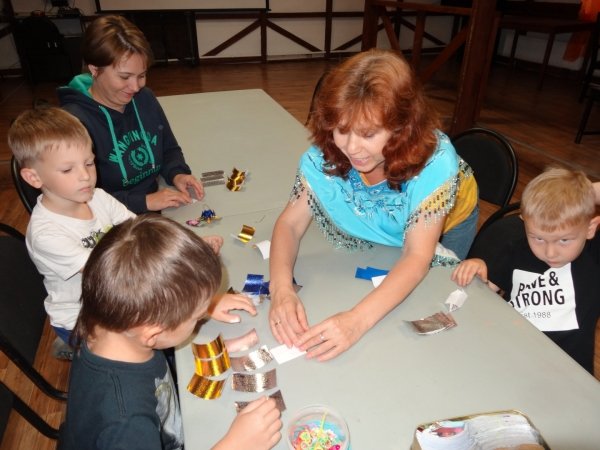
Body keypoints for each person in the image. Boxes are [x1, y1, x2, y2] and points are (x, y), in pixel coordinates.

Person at [268, 49, 479, 361]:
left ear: (401, 127)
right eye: (341, 129)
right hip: (388, 223)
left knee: (435, 299)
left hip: (449, 219)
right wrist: (281, 290)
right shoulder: (324, 156)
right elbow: (290, 224)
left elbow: (417, 255)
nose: (352, 147)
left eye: (368, 133)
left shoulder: (435, 162)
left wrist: (356, 322)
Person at [61, 214, 282, 450]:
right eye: (197, 318)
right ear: (153, 333)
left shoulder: (107, 323)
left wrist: (203, 303)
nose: (201, 317)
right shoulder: (126, 424)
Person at [7, 106, 136, 354]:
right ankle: (75, 346)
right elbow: (109, 273)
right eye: (68, 170)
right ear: (34, 178)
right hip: (83, 320)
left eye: (89, 163)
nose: (85, 176)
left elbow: (139, 230)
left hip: (116, 297)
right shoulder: (47, 234)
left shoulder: (98, 197)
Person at [452, 167, 600, 375]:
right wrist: (478, 270)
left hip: (568, 374)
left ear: (591, 228)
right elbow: (485, 293)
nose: (550, 252)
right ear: (524, 222)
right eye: (538, 238)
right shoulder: (515, 251)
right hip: (513, 360)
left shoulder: (594, 255)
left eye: (564, 240)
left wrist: (583, 194)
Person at [58, 14, 203, 214]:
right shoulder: (73, 123)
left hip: (155, 206)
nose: (135, 87)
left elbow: (168, 148)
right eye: (124, 77)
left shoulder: (145, 98)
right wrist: (143, 202)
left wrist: (177, 173)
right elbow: (80, 198)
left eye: (142, 75)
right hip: (110, 222)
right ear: (95, 70)